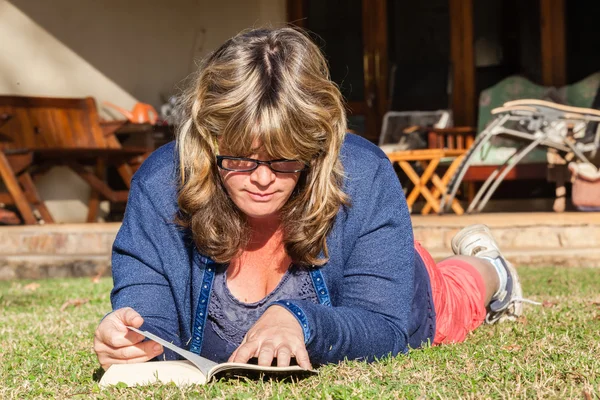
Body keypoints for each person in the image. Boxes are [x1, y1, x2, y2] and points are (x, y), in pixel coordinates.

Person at [93, 27, 532, 372]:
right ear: (208, 140)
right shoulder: (160, 185)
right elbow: (148, 317)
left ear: (316, 145)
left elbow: (385, 326)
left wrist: (301, 321)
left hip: (393, 277)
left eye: (286, 159)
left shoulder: (363, 173)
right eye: (241, 159)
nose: (263, 178)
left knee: (455, 292)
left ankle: (492, 266)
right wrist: (132, 339)